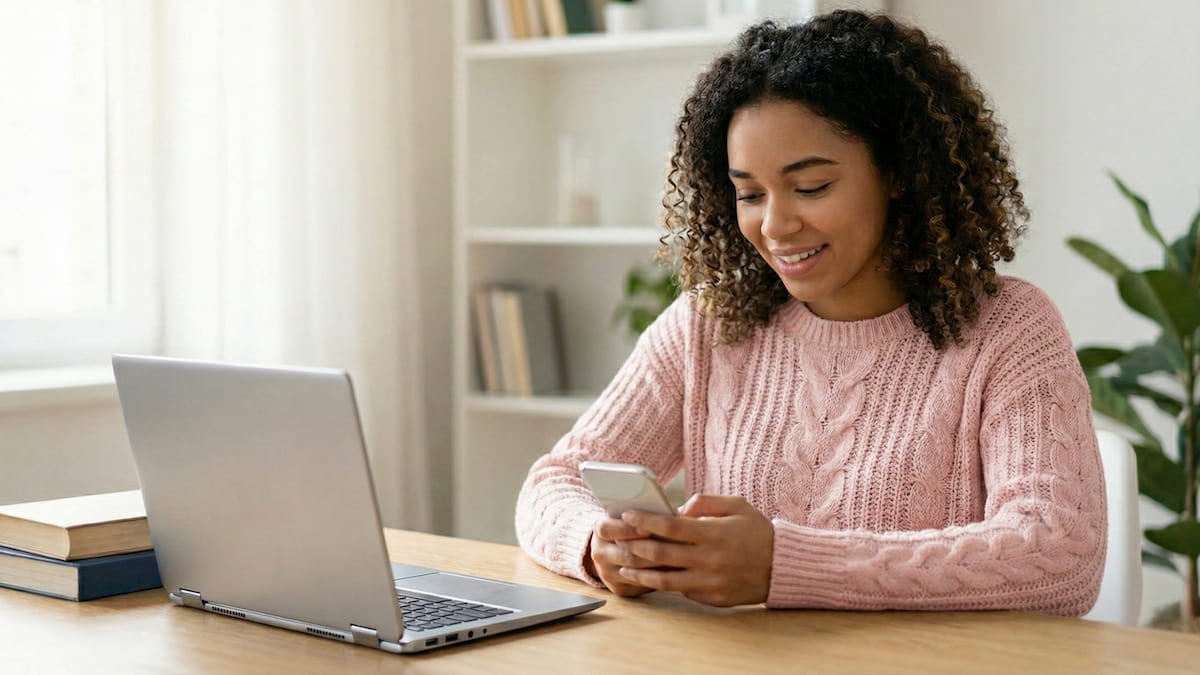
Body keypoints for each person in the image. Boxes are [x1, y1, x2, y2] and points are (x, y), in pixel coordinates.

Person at [514, 9, 1105, 615]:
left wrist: (786, 566)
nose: (774, 225)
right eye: (749, 193)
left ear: (898, 172)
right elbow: (553, 482)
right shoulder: (709, 325)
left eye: (812, 186)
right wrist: (597, 545)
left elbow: (1060, 554)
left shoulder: (1008, 328)